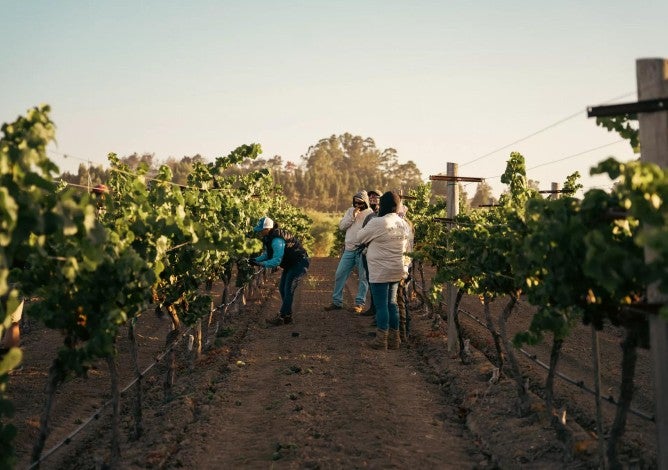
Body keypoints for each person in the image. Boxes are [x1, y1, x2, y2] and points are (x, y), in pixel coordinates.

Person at [356, 191, 409, 350]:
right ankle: (395, 340)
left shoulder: (378, 222)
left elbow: (360, 238)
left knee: (381, 306)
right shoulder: (402, 223)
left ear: (383, 205)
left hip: (379, 270)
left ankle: (381, 340)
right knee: (392, 303)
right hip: (396, 269)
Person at [251, 216, 310, 326]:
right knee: (282, 288)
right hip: (291, 263)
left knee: (288, 289)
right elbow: (268, 254)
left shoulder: (277, 240)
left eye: (260, 230)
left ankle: (282, 316)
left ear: (267, 229)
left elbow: (276, 261)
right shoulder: (270, 237)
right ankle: (287, 315)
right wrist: (255, 260)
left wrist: (261, 264)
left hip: (299, 263)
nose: (259, 232)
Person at [324, 190, 373, 313]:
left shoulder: (370, 214)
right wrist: (353, 216)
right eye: (355, 202)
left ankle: (359, 304)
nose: (357, 205)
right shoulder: (350, 211)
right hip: (349, 250)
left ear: (365, 203)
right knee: (340, 274)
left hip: (362, 251)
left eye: (360, 203)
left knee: (363, 278)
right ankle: (337, 302)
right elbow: (342, 226)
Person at [360, 189, 382, 318]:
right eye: (370, 196)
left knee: (378, 282)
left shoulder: (384, 215)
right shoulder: (369, 216)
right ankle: (373, 308)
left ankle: (378, 312)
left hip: (378, 254)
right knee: (370, 280)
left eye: (376, 196)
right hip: (368, 253)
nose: (372, 197)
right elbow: (363, 234)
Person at [396, 203, 414, 342]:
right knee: (401, 301)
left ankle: (403, 334)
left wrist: (405, 268)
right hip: (404, 267)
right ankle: (403, 333)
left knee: (400, 301)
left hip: (402, 267)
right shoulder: (406, 224)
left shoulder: (404, 226)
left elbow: (406, 250)